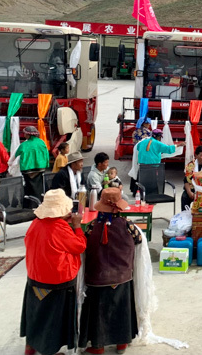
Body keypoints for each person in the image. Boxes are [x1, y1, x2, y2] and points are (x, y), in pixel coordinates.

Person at [21, 188, 87, 355]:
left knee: (36, 313)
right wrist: (77, 226)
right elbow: (80, 246)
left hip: (35, 276)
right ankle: (50, 350)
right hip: (57, 279)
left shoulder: (35, 224)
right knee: (53, 318)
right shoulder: (59, 227)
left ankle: (30, 346)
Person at [79, 188, 141, 354]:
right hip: (122, 277)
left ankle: (98, 346)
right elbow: (139, 240)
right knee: (121, 309)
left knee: (99, 312)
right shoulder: (129, 226)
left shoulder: (92, 227)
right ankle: (122, 344)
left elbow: (83, 244)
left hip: (97, 278)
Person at [16, 127, 50, 202]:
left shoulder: (24, 144)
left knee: (28, 187)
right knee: (40, 186)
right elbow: (46, 154)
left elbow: (16, 154)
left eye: (25, 134)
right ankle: (41, 200)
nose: (24, 135)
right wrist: (46, 164)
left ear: (29, 134)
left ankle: (30, 203)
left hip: (27, 169)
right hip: (40, 168)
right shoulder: (41, 142)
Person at [181, 145, 202, 210]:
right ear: (196, 156)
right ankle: (185, 214)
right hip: (192, 188)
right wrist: (189, 193)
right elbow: (186, 181)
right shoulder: (190, 165)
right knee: (184, 196)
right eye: (201, 155)